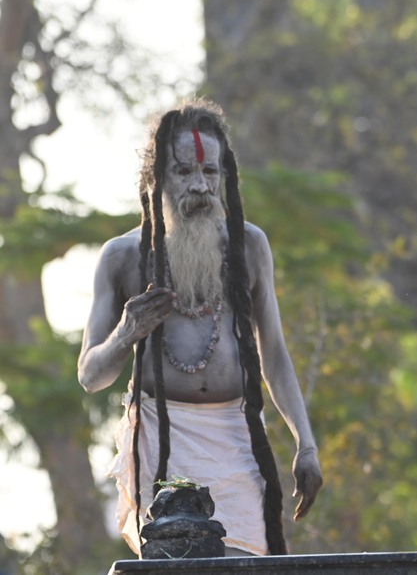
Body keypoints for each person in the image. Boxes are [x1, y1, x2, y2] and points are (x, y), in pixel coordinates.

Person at [77, 99, 322, 556]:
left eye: (211, 173)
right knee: (180, 562)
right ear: (155, 179)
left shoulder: (249, 246)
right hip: (161, 441)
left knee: (245, 561)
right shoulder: (121, 257)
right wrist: (126, 333)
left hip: (237, 439)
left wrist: (305, 444)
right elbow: (91, 376)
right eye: (185, 171)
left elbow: (274, 355)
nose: (201, 186)